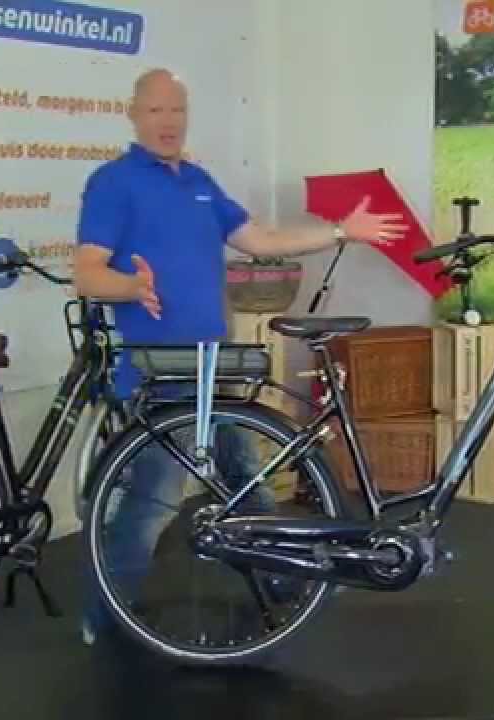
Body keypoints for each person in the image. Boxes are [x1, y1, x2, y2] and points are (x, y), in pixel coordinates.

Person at [72, 68, 407, 646]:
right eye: (156, 110)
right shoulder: (113, 183)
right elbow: (86, 273)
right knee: (151, 505)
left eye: (177, 109)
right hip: (161, 371)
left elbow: (261, 241)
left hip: (215, 365)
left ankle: (278, 584)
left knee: (248, 481)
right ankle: (103, 620)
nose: (168, 121)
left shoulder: (199, 181)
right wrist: (131, 287)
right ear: (134, 114)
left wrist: (341, 232)